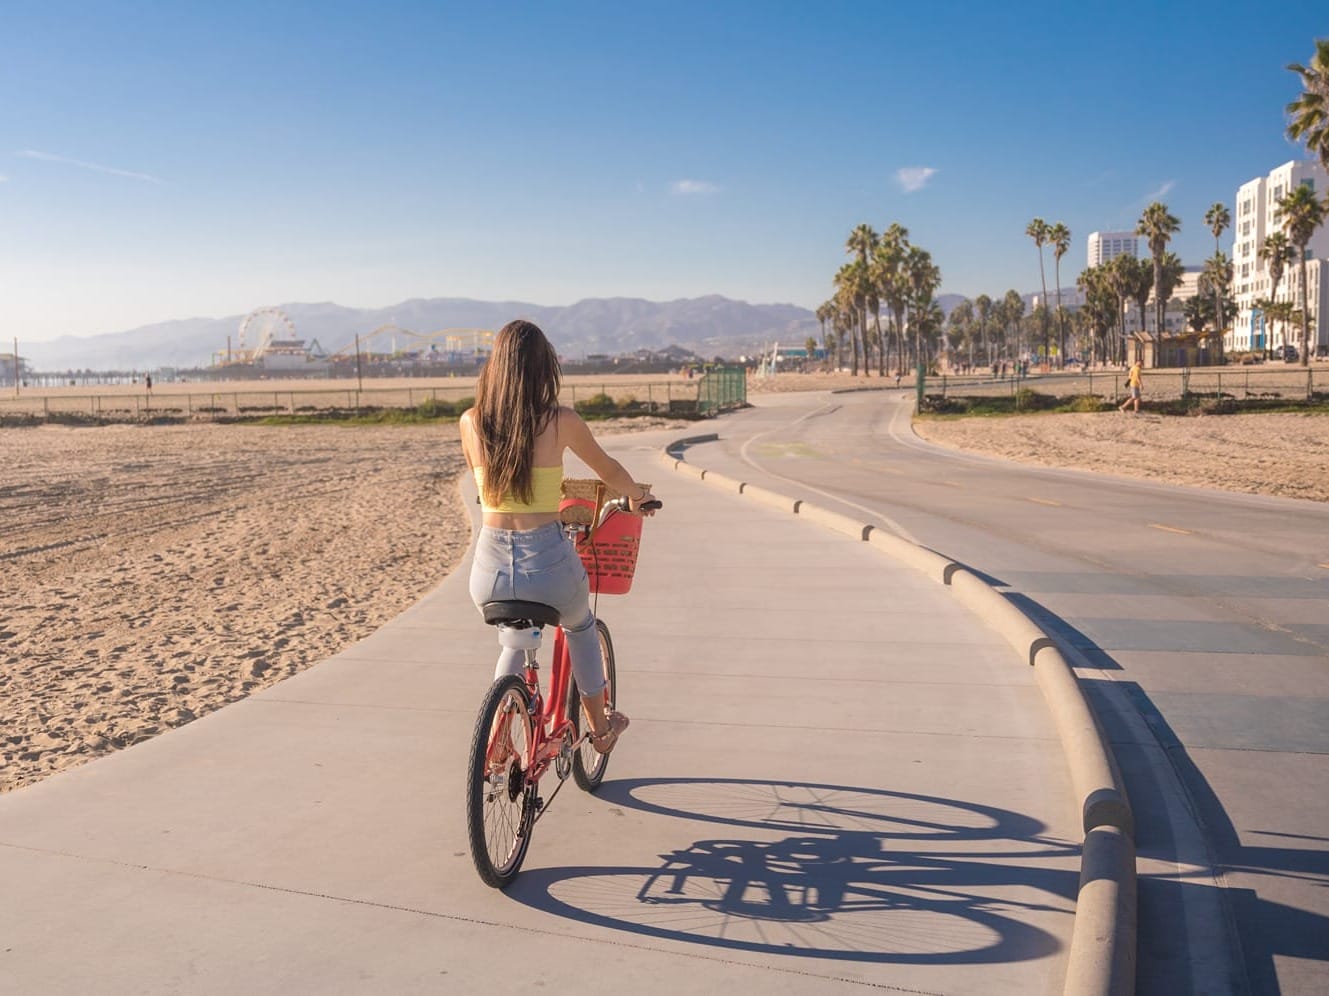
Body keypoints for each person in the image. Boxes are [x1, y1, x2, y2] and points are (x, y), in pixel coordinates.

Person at [460, 319, 656, 755]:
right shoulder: (560, 421)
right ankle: (601, 729)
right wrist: (638, 498)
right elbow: (609, 472)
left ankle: (496, 737)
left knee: (514, 637)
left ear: (495, 368)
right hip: (545, 560)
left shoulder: (471, 422)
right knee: (580, 626)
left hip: (488, 569)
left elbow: (486, 489)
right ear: (543, 368)